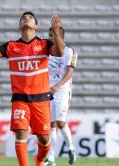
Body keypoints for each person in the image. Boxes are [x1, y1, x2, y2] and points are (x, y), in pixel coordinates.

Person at [0, 11, 65, 166]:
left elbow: (60, 53)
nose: (26, 19)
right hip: (20, 99)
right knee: (21, 134)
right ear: (20, 25)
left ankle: (39, 159)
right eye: (23, 18)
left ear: (35, 26)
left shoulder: (44, 44)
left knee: (44, 139)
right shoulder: (11, 46)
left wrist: (56, 33)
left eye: (30, 18)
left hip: (41, 100)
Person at [44, 27, 77, 166]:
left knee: (61, 123)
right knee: (50, 125)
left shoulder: (71, 52)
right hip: (47, 90)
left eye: (53, 35)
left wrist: (57, 86)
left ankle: (71, 148)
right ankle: (51, 158)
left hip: (62, 91)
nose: (50, 37)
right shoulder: (47, 52)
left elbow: (69, 72)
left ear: (60, 36)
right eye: (49, 35)